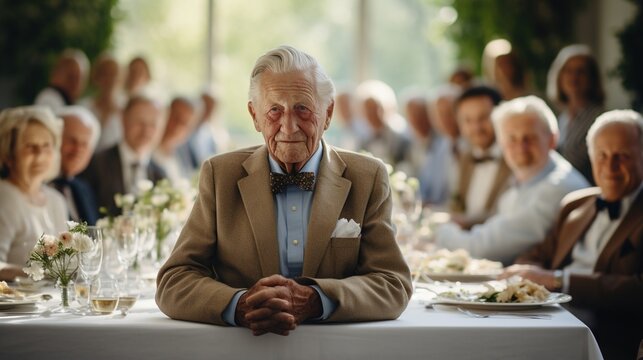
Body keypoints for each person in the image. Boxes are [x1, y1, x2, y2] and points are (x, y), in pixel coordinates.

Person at [156, 46, 413, 335]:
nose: (289, 127)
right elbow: (173, 281)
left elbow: (393, 284)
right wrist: (239, 304)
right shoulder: (220, 175)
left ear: (327, 113)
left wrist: (317, 299)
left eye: (303, 109)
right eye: (274, 110)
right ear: (254, 115)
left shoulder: (368, 177)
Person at [503, 110, 643, 360]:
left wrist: (559, 280)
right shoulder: (576, 204)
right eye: (602, 155)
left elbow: (637, 289)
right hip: (547, 319)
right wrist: (528, 277)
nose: (610, 166)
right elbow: (534, 255)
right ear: (590, 157)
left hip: (606, 337)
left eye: (622, 156)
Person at [434, 96, 589, 264]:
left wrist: (438, 230)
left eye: (530, 138)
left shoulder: (558, 186)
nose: (521, 147)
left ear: (553, 139)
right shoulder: (521, 181)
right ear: (501, 143)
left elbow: (483, 248)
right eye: (511, 139)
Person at [0, 106, 67, 281]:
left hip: (50, 302)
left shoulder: (56, 200)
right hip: (15, 306)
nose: (40, 154)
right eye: (30, 147)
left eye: (46, 146)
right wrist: (40, 275)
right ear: (8, 155)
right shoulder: (5, 197)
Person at [81, 95, 166, 215]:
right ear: (123, 119)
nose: (146, 131)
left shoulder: (160, 175)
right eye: (140, 122)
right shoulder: (96, 163)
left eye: (153, 125)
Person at [449, 86, 511, 228]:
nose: (476, 127)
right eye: (468, 120)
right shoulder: (465, 158)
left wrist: (463, 221)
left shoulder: (515, 157)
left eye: (483, 118)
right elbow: (456, 205)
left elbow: (506, 215)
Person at [547, 44, 605, 184]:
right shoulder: (562, 119)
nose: (574, 77)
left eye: (581, 71)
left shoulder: (600, 119)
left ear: (592, 78)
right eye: (568, 71)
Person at [51, 106, 101, 225]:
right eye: (71, 140)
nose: (77, 149)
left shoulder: (84, 190)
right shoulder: (36, 187)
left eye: (84, 144)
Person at [356, 80, 410, 167]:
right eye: (367, 110)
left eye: (374, 109)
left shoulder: (399, 137)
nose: (371, 114)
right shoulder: (363, 139)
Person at [81, 53, 123, 152]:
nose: (110, 79)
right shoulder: (84, 107)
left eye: (114, 74)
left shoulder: (126, 110)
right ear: (96, 77)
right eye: (105, 74)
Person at [153, 97, 198, 183]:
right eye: (175, 118)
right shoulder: (145, 151)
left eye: (184, 123)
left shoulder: (182, 153)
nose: (177, 127)